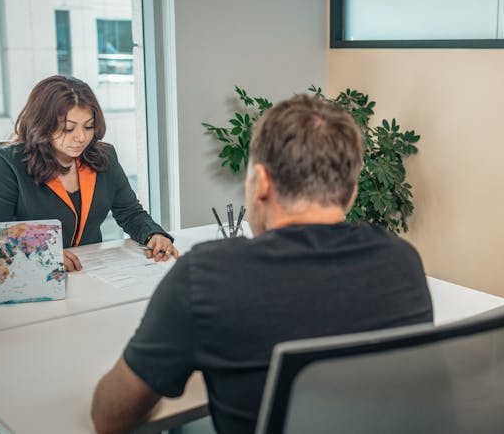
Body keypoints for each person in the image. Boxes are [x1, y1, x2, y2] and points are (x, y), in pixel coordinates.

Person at [90, 95, 434, 434]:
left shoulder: (207, 277)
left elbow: (110, 417)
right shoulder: (402, 261)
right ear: (352, 191)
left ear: (263, 183)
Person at [0, 75, 177, 271]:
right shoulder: (10, 163)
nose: (81, 137)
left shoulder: (104, 156)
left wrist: (153, 235)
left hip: (91, 270)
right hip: (34, 276)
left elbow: (130, 213)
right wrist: (41, 253)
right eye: (68, 128)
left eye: (88, 127)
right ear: (43, 125)